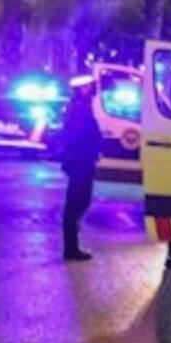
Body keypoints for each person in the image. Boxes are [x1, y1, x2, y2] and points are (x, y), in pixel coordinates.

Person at [61, 78, 101, 262]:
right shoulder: (78, 109)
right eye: (87, 87)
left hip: (82, 160)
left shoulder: (82, 106)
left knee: (80, 201)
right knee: (77, 202)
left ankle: (72, 245)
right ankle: (71, 247)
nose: (91, 89)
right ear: (80, 90)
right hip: (80, 161)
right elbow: (80, 136)